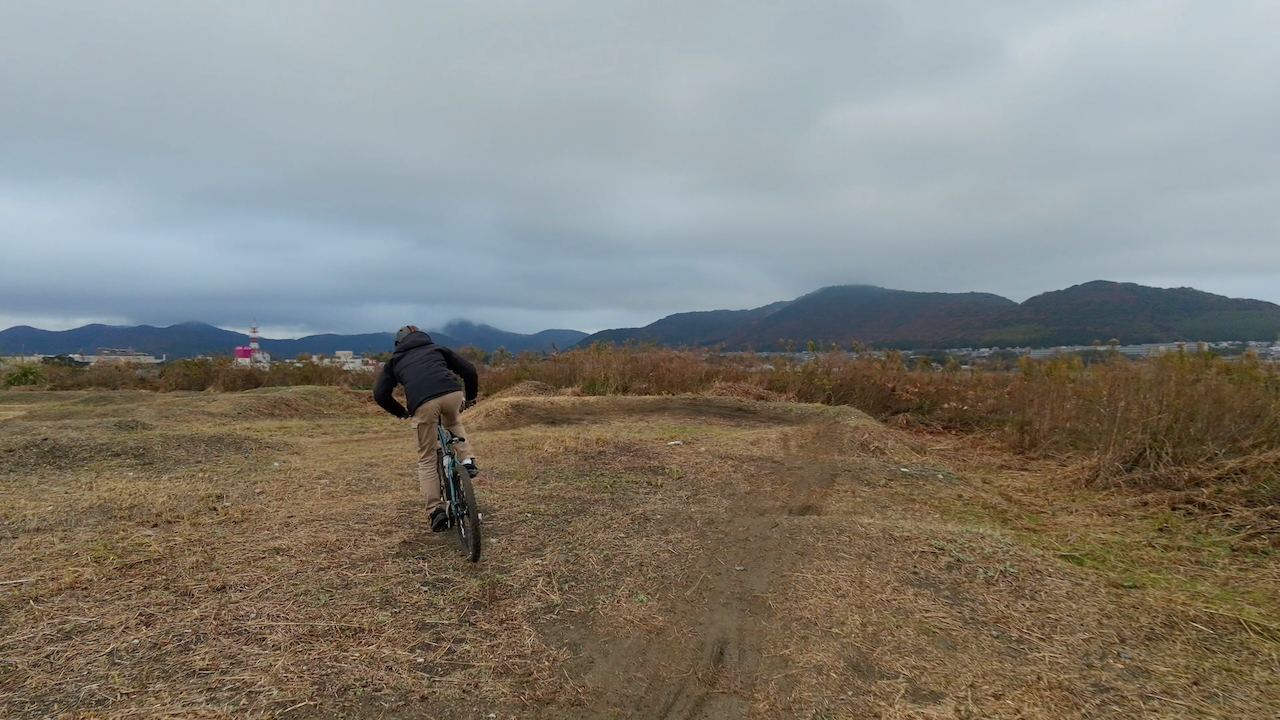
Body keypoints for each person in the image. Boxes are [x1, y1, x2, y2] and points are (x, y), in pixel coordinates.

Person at [373, 325, 479, 533]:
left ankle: (436, 510)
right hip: (452, 393)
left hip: (423, 403)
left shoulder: (395, 360)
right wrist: (472, 397)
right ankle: (467, 461)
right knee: (453, 422)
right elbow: (469, 370)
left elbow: (380, 394)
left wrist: (401, 412)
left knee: (427, 457)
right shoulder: (437, 349)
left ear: (398, 344)